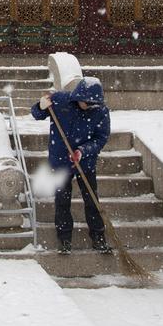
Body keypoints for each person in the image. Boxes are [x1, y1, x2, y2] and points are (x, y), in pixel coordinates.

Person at [31, 78, 112, 254]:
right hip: (60, 161)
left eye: (93, 104)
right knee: (62, 201)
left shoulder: (101, 111)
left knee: (91, 200)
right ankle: (64, 239)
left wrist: (83, 151)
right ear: (78, 97)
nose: (89, 106)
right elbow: (36, 114)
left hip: (85, 162)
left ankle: (98, 237)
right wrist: (40, 106)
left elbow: (101, 138)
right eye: (86, 102)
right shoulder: (60, 100)